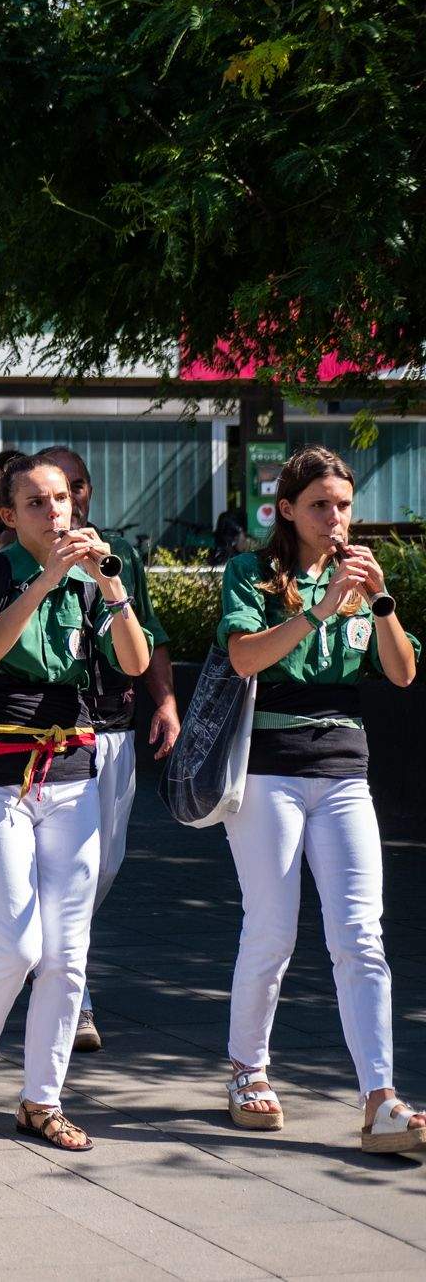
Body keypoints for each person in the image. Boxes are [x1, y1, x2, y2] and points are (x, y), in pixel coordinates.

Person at [0, 451, 151, 1154]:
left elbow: (136, 664)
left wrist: (112, 590)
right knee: (18, 940)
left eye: (60, 500)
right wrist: (45, 577)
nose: (53, 513)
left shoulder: (94, 581)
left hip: (73, 768)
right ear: (8, 516)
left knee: (68, 949)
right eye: (35, 503)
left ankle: (42, 1097)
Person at [212, 446, 421, 1155]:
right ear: (288, 512)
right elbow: (244, 657)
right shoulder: (252, 574)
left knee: (361, 934)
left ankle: (381, 1096)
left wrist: (379, 601)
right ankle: (248, 1068)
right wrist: (320, 608)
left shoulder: (359, 578)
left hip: (344, 768)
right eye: (321, 506)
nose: (336, 519)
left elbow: (400, 672)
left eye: (343, 505)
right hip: (268, 768)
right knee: (272, 928)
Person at [40, 445, 179, 1052]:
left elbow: (152, 639)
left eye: (73, 489)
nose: (63, 503)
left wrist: (167, 703)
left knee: (107, 863)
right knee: (70, 868)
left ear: (87, 494)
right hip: (50, 733)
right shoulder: (14, 563)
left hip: (115, 725)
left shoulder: (118, 563)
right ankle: (74, 993)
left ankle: (54, 962)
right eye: (47, 493)